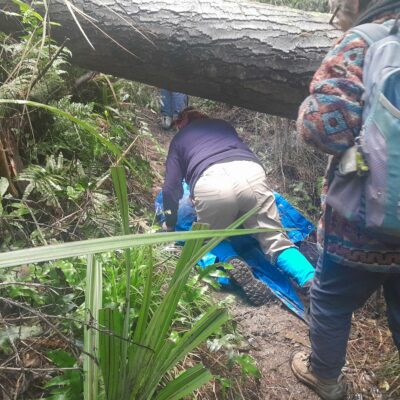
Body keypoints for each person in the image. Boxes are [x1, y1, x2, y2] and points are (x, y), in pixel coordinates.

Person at [290, 1, 400, 399]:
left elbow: (323, 128)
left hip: (358, 224)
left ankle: (325, 377)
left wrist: (307, 109)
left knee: (331, 301)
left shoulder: (363, 43)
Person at [162, 107, 315, 306]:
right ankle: (312, 281)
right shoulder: (222, 126)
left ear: (182, 124)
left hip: (210, 181)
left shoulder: (180, 139)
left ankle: (232, 260)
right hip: (250, 173)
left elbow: (171, 187)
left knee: (209, 240)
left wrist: (170, 224)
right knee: (275, 239)